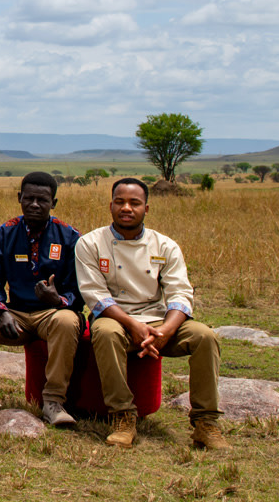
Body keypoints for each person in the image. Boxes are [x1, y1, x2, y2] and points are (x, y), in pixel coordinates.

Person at [75, 178, 229, 450]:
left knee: (205, 337)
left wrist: (166, 331)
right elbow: (96, 297)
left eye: (134, 203)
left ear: (147, 208)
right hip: (116, 319)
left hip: (159, 321)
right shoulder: (90, 243)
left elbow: (180, 294)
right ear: (110, 206)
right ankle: (123, 417)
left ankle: (206, 424)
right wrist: (133, 325)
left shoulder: (165, 246)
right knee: (104, 332)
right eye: (120, 202)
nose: (126, 208)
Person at [0, 172, 83, 428]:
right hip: (16, 315)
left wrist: (58, 299)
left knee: (68, 322)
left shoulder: (69, 237)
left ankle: (53, 402)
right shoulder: (4, 234)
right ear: (19, 198)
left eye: (42, 200)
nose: (35, 204)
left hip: (53, 315)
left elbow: (80, 291)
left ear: (53, 203)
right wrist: (1, 311)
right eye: (29, 198)